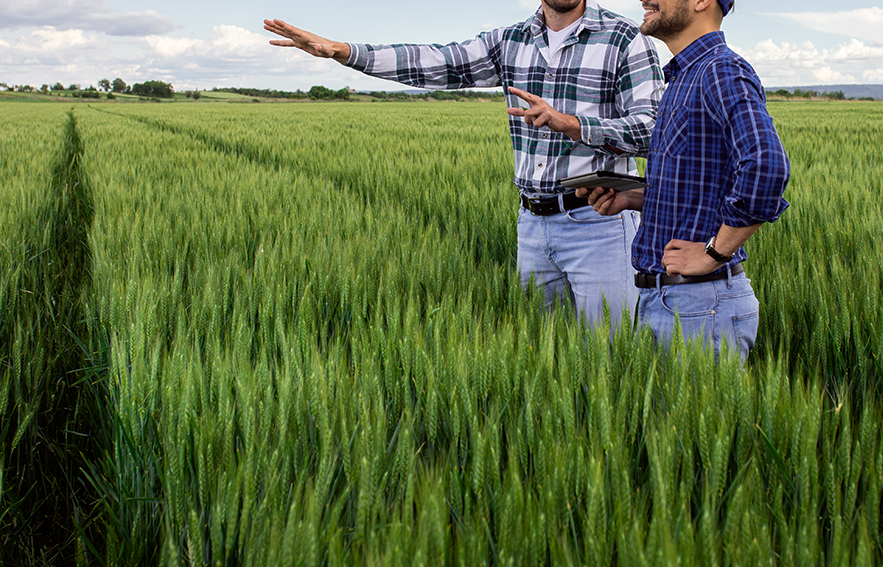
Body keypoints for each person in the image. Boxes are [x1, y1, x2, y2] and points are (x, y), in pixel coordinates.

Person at [264, 1, 663, 330]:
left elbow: (652, 129)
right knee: (543, 358)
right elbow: (436, 62)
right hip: (532, 226)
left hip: (598, 224)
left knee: (611, 360)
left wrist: (572, 125)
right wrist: (345, 52)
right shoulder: (510, 40)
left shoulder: (624, 38)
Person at [581, 0, 790, 360]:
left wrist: (713, 252)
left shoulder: (721, 70)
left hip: (700, 305)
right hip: (669, 301)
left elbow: (767, 166)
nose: (644, 0)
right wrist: (631, 198)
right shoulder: (684, 79)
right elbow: (696, 184)